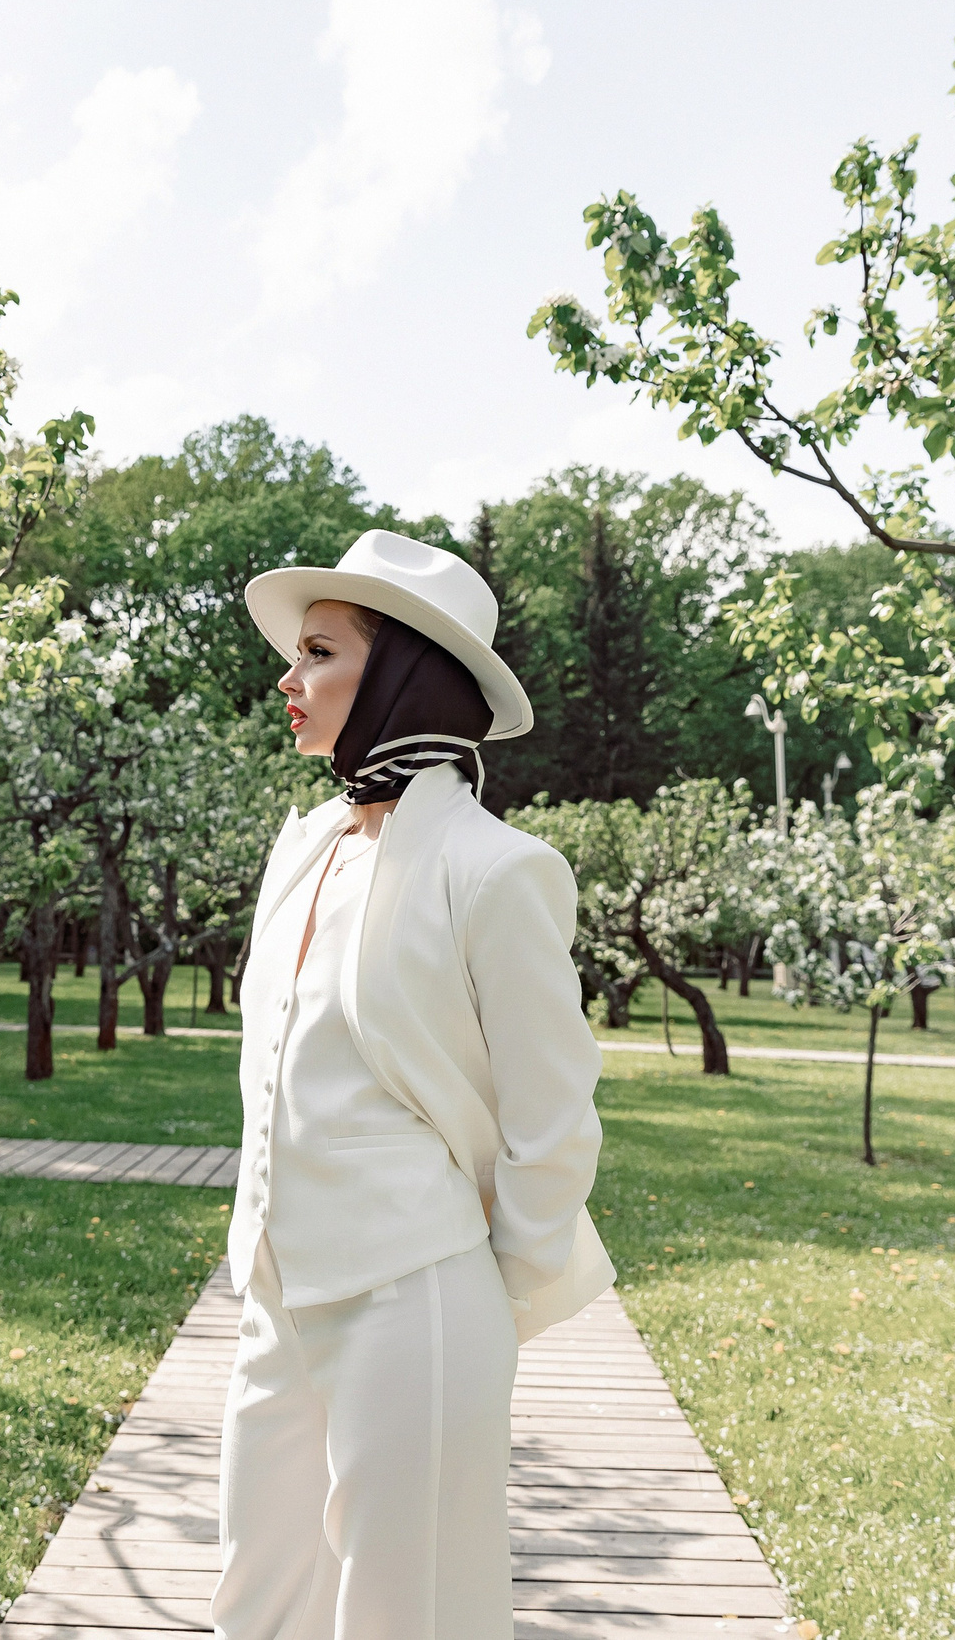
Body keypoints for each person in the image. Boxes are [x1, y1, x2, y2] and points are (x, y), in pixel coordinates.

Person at [214, 530, 614, 1639]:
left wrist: (491, 1288)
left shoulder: (497, 869)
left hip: (414, 1293)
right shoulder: (302, 846)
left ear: (404, 677)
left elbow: (553, 1119)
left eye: (320, 654)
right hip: (271, 1290)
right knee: (255, 1600)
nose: (287, 680)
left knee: (408, 1611)